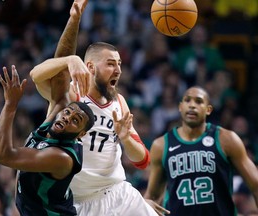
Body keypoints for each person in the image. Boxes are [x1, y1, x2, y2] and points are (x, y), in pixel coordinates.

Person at [29, 0, 168, 215]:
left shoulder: (119, 102)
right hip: (80, 201)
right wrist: (69, 60)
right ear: (91, 67)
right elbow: (36, 75)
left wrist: (125, 138)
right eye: (111, 64)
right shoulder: (72, 96)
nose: (118, 70)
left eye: (120, 64)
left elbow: (142, 160)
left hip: (119, 193)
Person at [0, 64, 95, 216]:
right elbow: (60, 80)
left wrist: (10, 105)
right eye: (67, 112)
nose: (67, 118)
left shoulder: (61, 157)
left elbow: (1, 155)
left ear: (81, 134)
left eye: (75, 120)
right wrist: (69, 60)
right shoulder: (53, 125)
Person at [144, 86, 258, 215]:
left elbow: (255, 185)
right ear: (180, 107)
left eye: (198, 101)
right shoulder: (161, 145)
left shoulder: (226, 139)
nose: (192, 105)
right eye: (187, 100)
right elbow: (152, 196)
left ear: (208, 109)